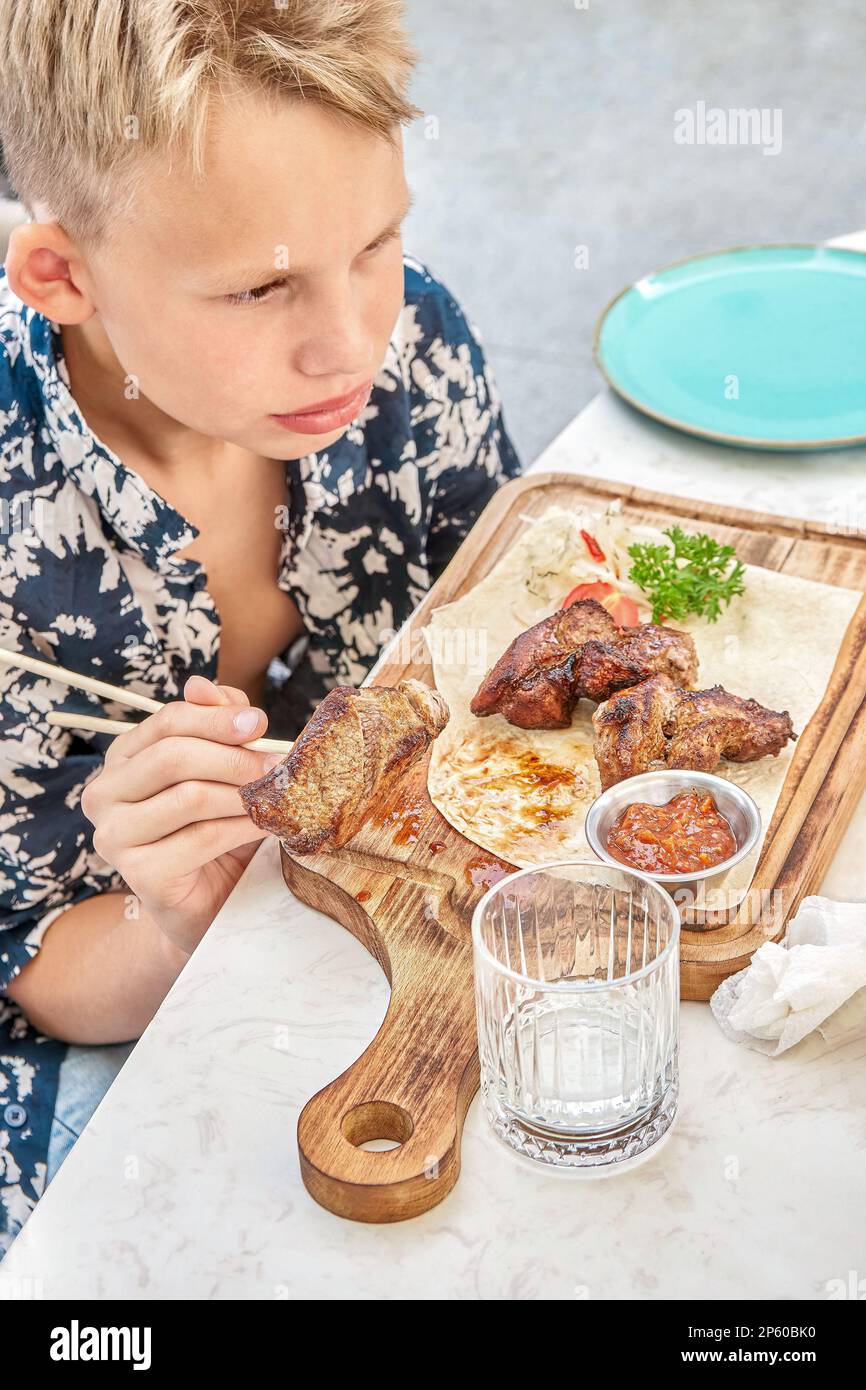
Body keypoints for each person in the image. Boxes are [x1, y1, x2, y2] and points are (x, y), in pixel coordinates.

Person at [0, 0, 520, 1253]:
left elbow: (490, 655)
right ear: (64, 276)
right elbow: (31, 954)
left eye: (378, 240)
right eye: (259, 286)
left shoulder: (411, 346)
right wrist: (172, 918)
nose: (351, 342)